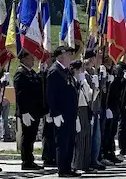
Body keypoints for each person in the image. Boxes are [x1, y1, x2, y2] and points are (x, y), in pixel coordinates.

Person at [47, 46, 81, 177]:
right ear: (61, 56)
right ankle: (62, 169)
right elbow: (51, 94)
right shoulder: (55, 71)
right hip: (61, 114)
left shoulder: (65, 71)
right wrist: (54, 113)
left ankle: (68, 167)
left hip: (70, 113)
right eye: (68, 54)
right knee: (63, 142)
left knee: (70, 141)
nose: (70, 57)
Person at [14, 51, 44, 170]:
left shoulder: (30, 72)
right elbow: (21, 95)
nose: (33, 60)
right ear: (25, 59)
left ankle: (30, 159)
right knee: (27, 137)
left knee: (31, 137)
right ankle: (26, 161)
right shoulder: (20, 73)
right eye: (31, 58)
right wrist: (24, 112)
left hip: (34, 111)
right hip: (27, 112)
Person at [71, 60, 99, 172]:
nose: (83, 71)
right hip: (78, 109)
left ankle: (86, 165)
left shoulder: (83, 81)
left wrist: (95, 87)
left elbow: (90, 95)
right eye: (81, 69)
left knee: (87, 137)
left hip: (86, 108)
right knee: (80, 139)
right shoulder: (73, 80)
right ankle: (78, 164)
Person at [83, 50, 106, 171]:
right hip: (89, 108)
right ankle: (89, 161)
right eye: (97, 58)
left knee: (97, 137)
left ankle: (95, 159)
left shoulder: (94, 72)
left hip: (96, 107)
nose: (99, 60)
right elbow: (88, 92)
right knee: (91, 137)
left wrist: (103, 77)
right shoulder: (84, 73)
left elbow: (102, 89)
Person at [41, 56, 57, 167]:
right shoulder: (45, 74)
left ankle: (52, 156)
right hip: (47, 109)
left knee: (53, 134)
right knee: (48, 135)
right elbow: (45, 93)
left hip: (53, 109)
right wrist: (47, 110)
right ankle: (47, 157)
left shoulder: (52, 73)